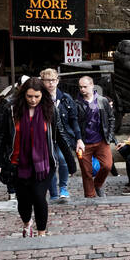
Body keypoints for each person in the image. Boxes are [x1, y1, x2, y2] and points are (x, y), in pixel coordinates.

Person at [0, 77, 77, 237]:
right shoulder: (12, 110)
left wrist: (70, 161)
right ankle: (27, 222)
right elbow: (2, 137)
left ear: (42, 96)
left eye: (36, 96)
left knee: (39, 198)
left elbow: (59, 135)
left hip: (44, 164)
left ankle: (42, 233)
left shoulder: (50, 110)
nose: (33, 100)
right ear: (23, 95)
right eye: (29, 96)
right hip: (18, 164)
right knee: (23, 202)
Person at [40, 68, 83, 203]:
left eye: (53, 80)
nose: (51, 83)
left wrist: (78, 138)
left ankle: (63, 187)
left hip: (63, 136)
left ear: (57, 81)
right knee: (51, 163)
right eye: (47, 81)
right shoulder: (39, 98)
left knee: (63, 159)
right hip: (45, 137)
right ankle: (53, 192)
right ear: (43, 82)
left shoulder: (65, 98)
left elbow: (74, 120)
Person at [76, 74, 116, 198]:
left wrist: (109, 137)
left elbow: (111, 118)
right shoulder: (76, 103)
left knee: (107, 165)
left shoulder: (102, 100)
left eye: (85, 86)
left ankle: (97, 184)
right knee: (86, 172)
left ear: (92, 86)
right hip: (84, 142)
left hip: (101, 140)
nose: (82, 89)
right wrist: (77, 140)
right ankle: (90, 197)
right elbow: (74, 123)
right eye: (80, 87)